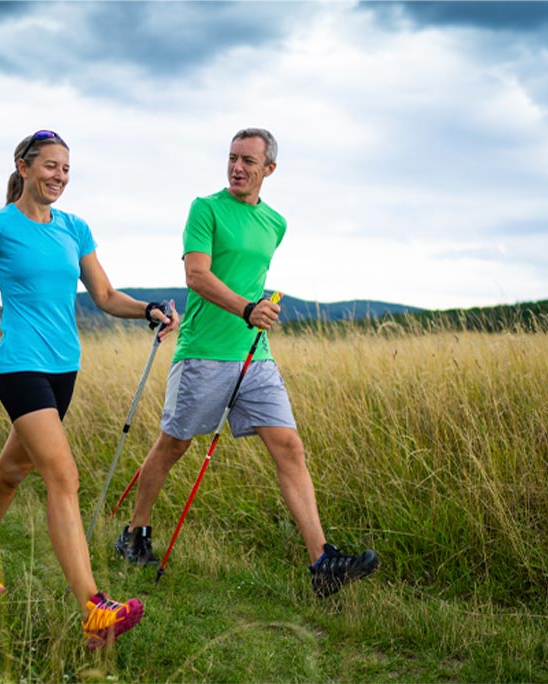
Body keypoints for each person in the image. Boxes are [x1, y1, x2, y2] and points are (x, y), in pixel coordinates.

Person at [114, 128, 378, 597]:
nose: (237, 167)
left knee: (289, 447)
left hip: (254, 355)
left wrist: (259, 309)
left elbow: (251, 278)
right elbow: (196, 276)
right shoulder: (206, 208)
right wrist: (245, 308)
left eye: (248, 161)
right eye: (232, 158)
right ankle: (134, 534)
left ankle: (322, 563)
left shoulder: (276, 223)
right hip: (202, 353)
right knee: (172, 447)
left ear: (268, 169)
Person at [0, 129, 179, 650]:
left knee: (9, 474)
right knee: (62, 476)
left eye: (66, 169)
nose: (59, 177)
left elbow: (106, 295)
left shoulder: (75, 228)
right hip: (21, 368)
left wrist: (149, 309)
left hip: (64, 370)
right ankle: (94, 609)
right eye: (50, 166)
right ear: (23, 168)